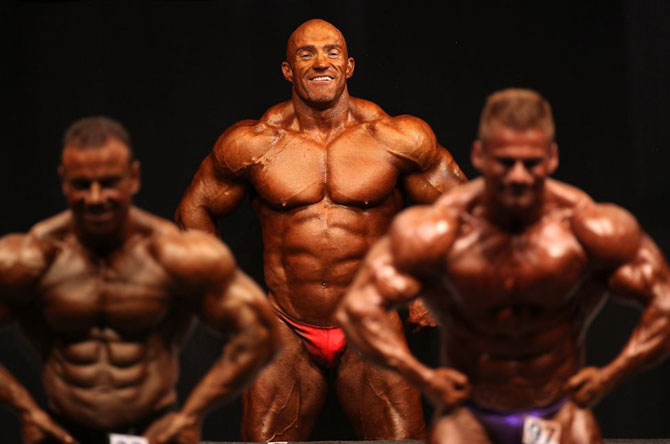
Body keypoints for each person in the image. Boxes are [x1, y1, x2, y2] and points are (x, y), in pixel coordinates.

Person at [175, 18, 465, 441]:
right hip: (286, 325)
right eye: (305, 54)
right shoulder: (254, 144)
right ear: (287, 70)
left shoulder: (395, 138)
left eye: (332, 52)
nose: (320, 62)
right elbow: (194, 210)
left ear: (349, 66)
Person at [336, 88, 670, 444]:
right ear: (480, 156)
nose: (518, 176)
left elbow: (664, 302)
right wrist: (423, 376)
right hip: (471, 418)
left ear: (552, 157)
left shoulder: (587, 228)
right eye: (506, 162)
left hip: (556, 414)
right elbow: (358, 308)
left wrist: (611, 375)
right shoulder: (442, 230)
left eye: (532, 163)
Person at [0, 116, 281, 444]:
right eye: (81, 185)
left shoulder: (169, 255)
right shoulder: (31, 259)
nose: (95, 198)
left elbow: (260, 332)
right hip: (64, 431)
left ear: (133, 178)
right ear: (64, 181)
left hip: (152, 431)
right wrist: (26, 411)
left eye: (109, 183)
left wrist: (192, 414)